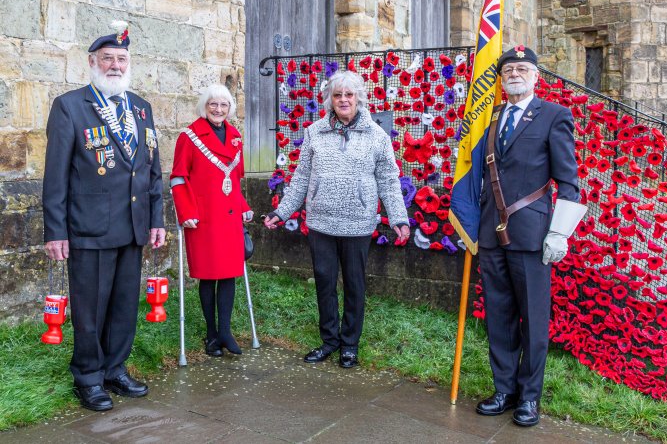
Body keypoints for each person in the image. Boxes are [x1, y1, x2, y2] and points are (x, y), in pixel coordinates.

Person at [42, 22, 166, 412]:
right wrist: (55, 231)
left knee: (124, 306)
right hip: (89, 227)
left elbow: (152, 171)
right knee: (90, 310)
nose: (115, 65)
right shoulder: (70, 106)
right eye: (108, 59)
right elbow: (56, 176)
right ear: (92, 62)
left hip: (132, 227)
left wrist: (157, 220)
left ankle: (115, 369)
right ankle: (89, 376)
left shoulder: (140, 108)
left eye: (121, 59)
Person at [264, 70, 410, 368]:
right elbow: (301, 177)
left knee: (354, 284)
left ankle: (350, 345)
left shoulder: (376, 135)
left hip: (358, 222)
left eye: (349, 94)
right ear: (329, 100)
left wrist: (398, 218)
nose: (343, 100)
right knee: (325, 283)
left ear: (359, 98)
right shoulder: (314, 132)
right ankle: (329, 340)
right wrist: (282, 211)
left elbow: (389, 180)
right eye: (337, 95)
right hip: (321, 223)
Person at [475, 45, 585, 427]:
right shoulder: (490, 119)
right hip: (491, 233)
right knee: (499, 316)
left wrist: (560, 232)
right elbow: (479, 180)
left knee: (533, 320)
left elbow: (569, 181)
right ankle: (504, 389)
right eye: (509, 70)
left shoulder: (554, 116)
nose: (515, 75)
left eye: (523, 69)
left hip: (534, 235)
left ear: (536, 77)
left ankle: (529, 398)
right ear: (501, 78)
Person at [170, 84, 254, 356]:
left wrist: (243, 206)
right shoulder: (189, 136)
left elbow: (234, 179)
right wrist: (186, 212)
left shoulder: (235, 137)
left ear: (229, 108)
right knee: (208, 276)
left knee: (230, 274)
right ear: (204, 106)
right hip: (202, 218)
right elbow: (179, 178)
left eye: (224, 105)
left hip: (229, 217)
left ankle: (225, 333)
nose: (218, 110)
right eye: (213, 105)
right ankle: (210, 334)